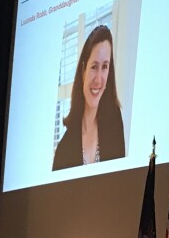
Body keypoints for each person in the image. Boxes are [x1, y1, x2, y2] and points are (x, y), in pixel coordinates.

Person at [52, 25, 125, 170]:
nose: (98, 79)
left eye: (105, 67)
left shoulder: (115, 122)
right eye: (94, 67)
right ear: (83, 70)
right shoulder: (63, 149)